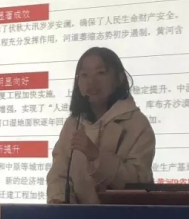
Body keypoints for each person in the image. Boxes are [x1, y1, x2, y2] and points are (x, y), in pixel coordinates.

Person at [46, 47, 155, 204]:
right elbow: (59, 174)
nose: (91, 81)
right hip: (76, 217)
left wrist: (96, 156)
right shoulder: (73, 123)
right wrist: (59, 203)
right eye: (84, 75)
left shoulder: (137, 123)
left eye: (101, 73)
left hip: (124, 216)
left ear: (119, 78)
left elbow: (139, 181)